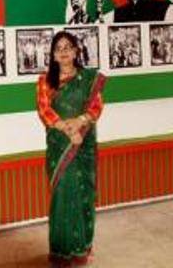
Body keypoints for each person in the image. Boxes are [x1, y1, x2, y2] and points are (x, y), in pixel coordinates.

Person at [36, 31, 105, 266]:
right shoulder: (45, 81)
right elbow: (45, 111)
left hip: (84, 145)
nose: (63, 52)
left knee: (84, 194)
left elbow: (96, 107)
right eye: (59, 48)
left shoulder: (88, 79)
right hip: (60, 146)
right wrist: (67, 128)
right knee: (63, 196)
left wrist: (79, 122)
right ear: (53, 55)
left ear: (76, 51)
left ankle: (82, 248)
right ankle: (62, 252)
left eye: (68, 47)